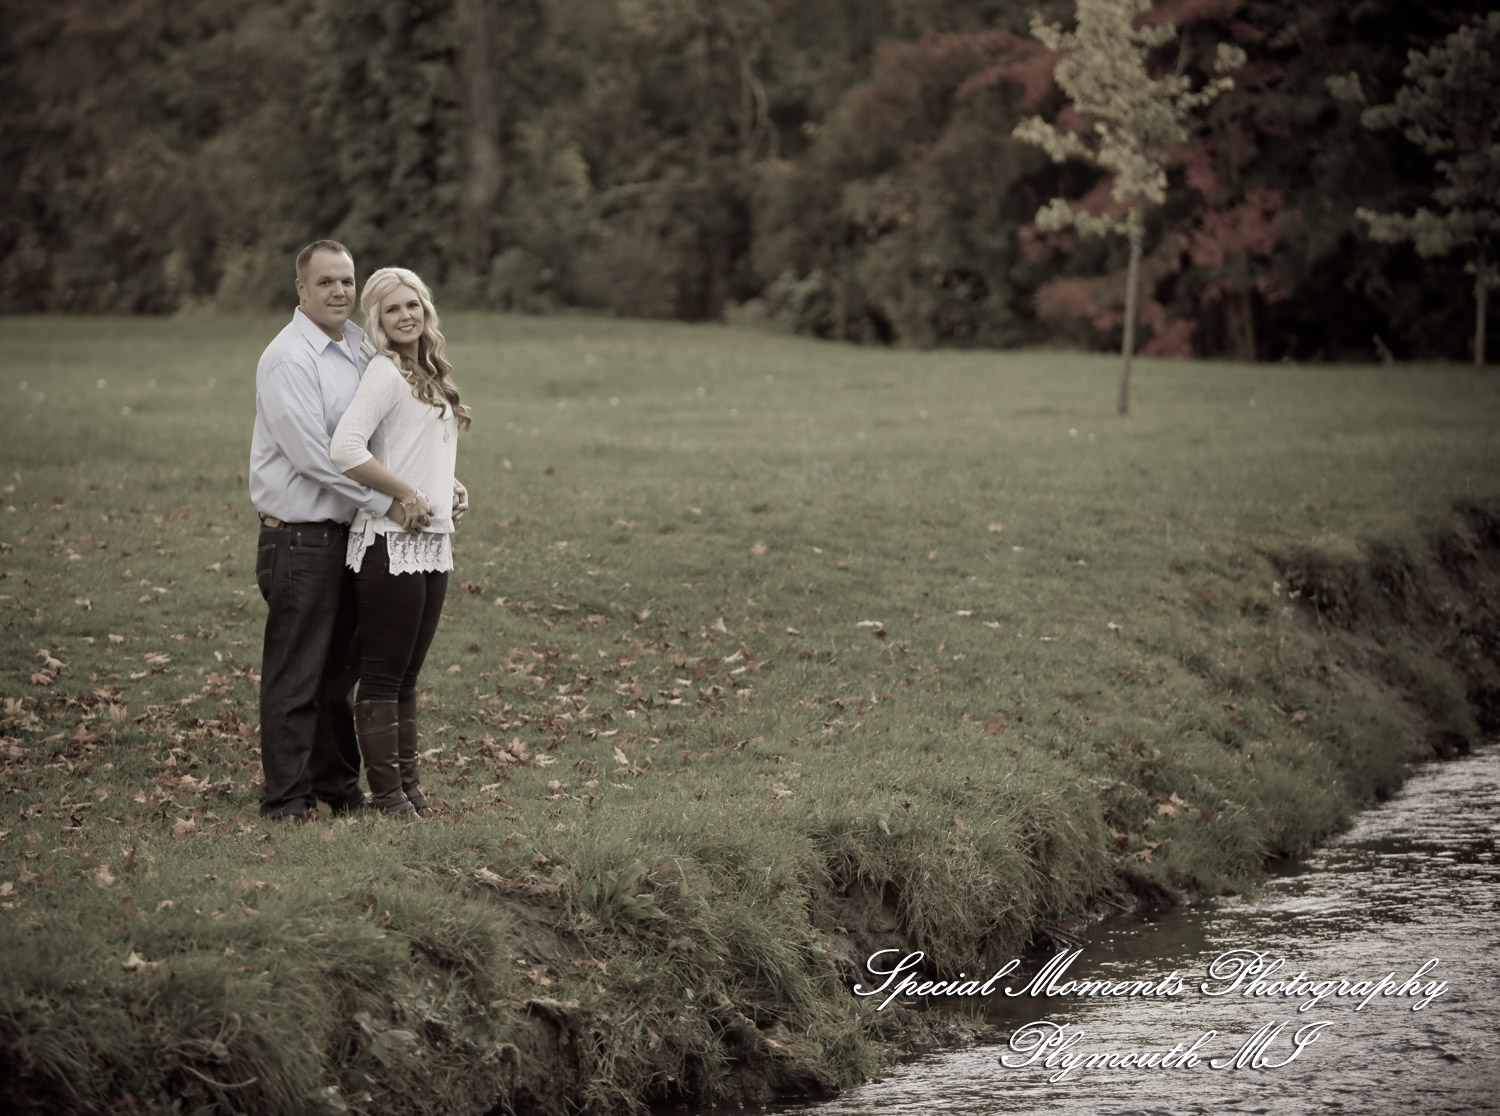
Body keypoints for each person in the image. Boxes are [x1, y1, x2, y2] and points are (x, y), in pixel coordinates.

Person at [249, 241, 462, 821]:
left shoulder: (359, 350)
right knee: (297, 676)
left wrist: (436, 487)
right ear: (301, 289)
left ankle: (339, 790)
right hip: (298, 535)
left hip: (347, 533)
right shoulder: (289, 358)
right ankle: (287, 801)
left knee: (338, 674)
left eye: (346, 280)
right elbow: (317, 458)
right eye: (326, 282)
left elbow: (391, 437)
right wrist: (391, 500)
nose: (339, 290)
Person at [330, 266, 470, 817]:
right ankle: (388, 799)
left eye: (413, 305)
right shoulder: (386, 372)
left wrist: (450, 487)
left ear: (426, 309)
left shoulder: (427, 373)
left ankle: (410, 791)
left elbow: (414, 448)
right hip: (388, 543)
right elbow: (346, 448)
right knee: (385, 675)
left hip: (431, 541)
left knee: (409, 675)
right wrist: (406, 494)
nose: (406, 315)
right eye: (392, 309)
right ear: (378, 321)